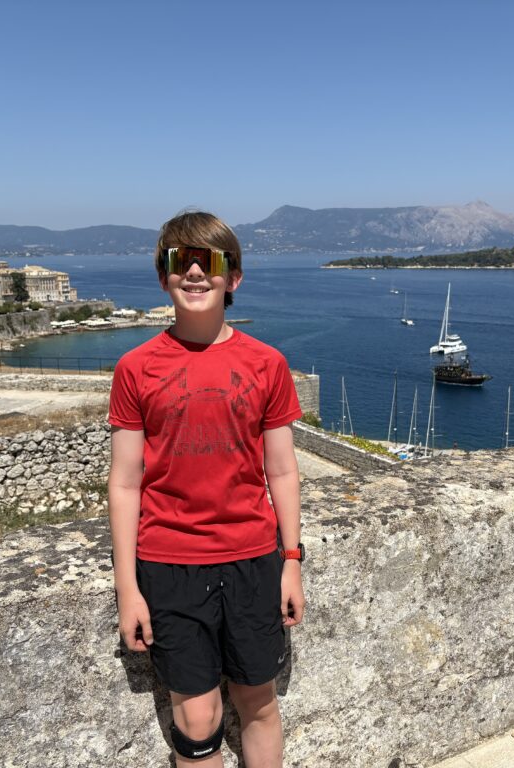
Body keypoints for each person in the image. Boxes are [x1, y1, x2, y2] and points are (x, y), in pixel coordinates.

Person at [108, 210, 305, 767]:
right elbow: (124, 483)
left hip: (253, 559)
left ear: (232, 277)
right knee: (196, 719)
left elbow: (282, 471)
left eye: (210, 261)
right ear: (163, 276)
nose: (195, 272)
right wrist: (128, 590)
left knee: (258, 701)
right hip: (169, 563)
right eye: (181, 260)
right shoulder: (135, 368)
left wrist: (292, 561)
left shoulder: (267, 364)